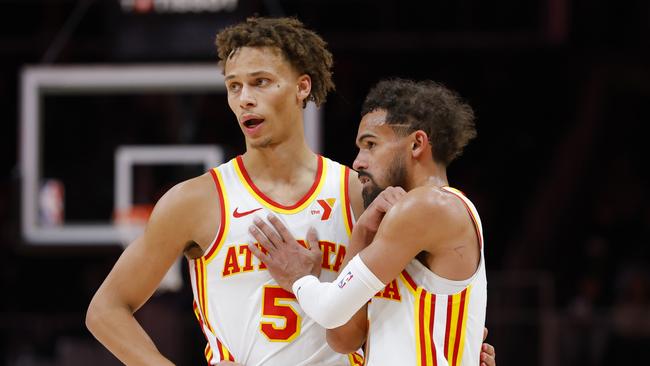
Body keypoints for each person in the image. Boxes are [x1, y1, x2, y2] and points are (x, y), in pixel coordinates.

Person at [85, 17, 496, 366]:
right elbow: (105, 310)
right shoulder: (196, 201)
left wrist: (455, 344)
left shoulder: (361, 193)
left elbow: (381, 320)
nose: (245, 99)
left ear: (302, 87)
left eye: (260, 82)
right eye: (234, 86)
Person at [248, 78, 489, 366]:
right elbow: (343, 338)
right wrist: (362, 232)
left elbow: (330, 310)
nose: (358, 162)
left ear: (417, 144)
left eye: (371, 145)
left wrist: (298, 278)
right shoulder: (403, 223)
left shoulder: (430, 205)